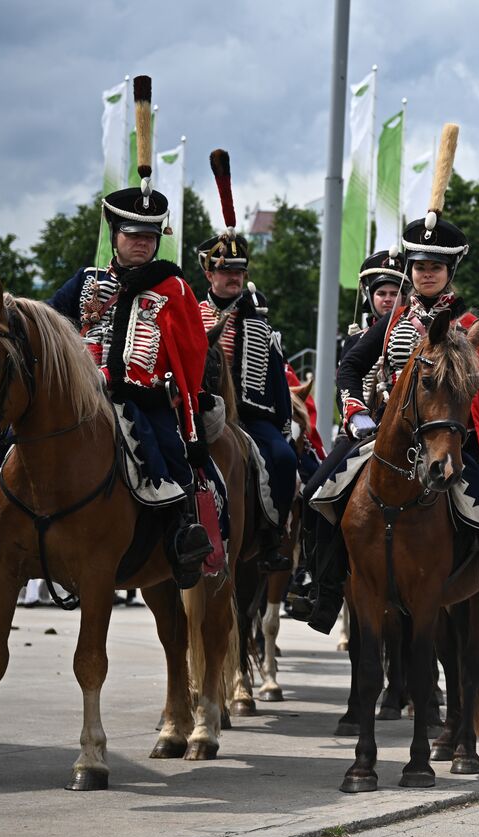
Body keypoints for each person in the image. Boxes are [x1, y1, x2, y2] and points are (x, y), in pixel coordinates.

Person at [301, 211, 479, 635]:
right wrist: (355, 410)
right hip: (385, 433)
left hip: (447, 433)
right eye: (420, 266)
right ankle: (323, 587)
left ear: (449, 270)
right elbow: (349, 366)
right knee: (317, 491)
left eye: (435, 266)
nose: (426, 274)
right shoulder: (393, 321)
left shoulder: (469, 326)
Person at [47, 90, 212, 588]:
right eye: (130, 234)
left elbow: (191, 353)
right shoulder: (87, 281)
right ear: (115, 236)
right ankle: (1, 524)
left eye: (148, 236)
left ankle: (185, 539)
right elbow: (50, 328)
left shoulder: (174, 286)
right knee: (18, 446)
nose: (139, 243)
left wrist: (186, 400)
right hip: (83, 399)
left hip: (146, 398)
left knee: (172, 458)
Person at [194, 155, 296, 572]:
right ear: (209, 273)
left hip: (252, 417)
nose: (233, 276)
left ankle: (273, 534)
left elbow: (274, 372)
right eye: (225, 270)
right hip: (200, 414)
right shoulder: (192, 314)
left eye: (239, 270)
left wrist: (283, 422)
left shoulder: (258, 317)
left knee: (285, 459)